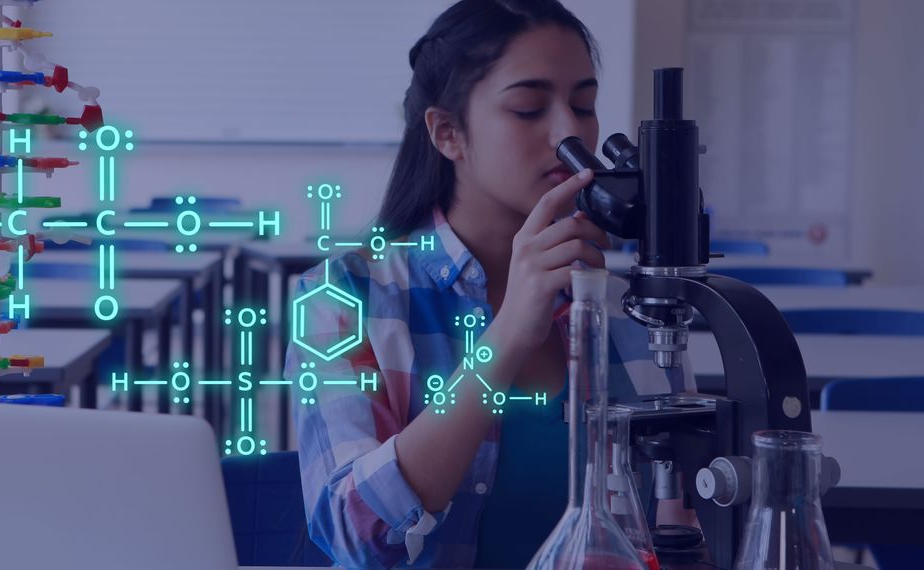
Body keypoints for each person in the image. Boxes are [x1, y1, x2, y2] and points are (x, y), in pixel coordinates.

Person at [284, 1, 694, 567]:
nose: (569, 131)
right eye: (529, 108)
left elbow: (679, 532)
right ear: (448, 132)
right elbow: (358, 537)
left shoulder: (630, 312)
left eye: (584, 105)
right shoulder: (342, 299)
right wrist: (507, 336)